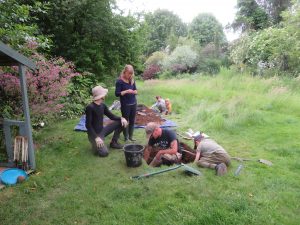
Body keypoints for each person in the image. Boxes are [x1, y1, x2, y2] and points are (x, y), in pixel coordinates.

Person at [85, 85, 128, 157]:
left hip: (102, 131)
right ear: (101, 96)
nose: (105, 95)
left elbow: (112, 116)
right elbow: (88, 125)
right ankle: (95, 145)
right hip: (94, 135)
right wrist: (96, 138)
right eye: (104, 94)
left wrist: (122, 118)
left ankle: (114, 143)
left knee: (122, 122)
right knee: (104, 153)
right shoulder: (90, 107)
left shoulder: (103, 105)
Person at [115, 65, 138, 141]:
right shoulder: (119, 81)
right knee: (125, 120)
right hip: (125, 105)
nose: (130, 75)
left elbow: (136, 91)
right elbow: (117, 93)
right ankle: (126, 137)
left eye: (131, 74)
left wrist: (134, 92)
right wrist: (126, 91)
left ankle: (131, 136)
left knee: (132, 120)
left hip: (133, 103)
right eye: (128, 73)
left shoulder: (132, 80)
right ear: (124, 72)